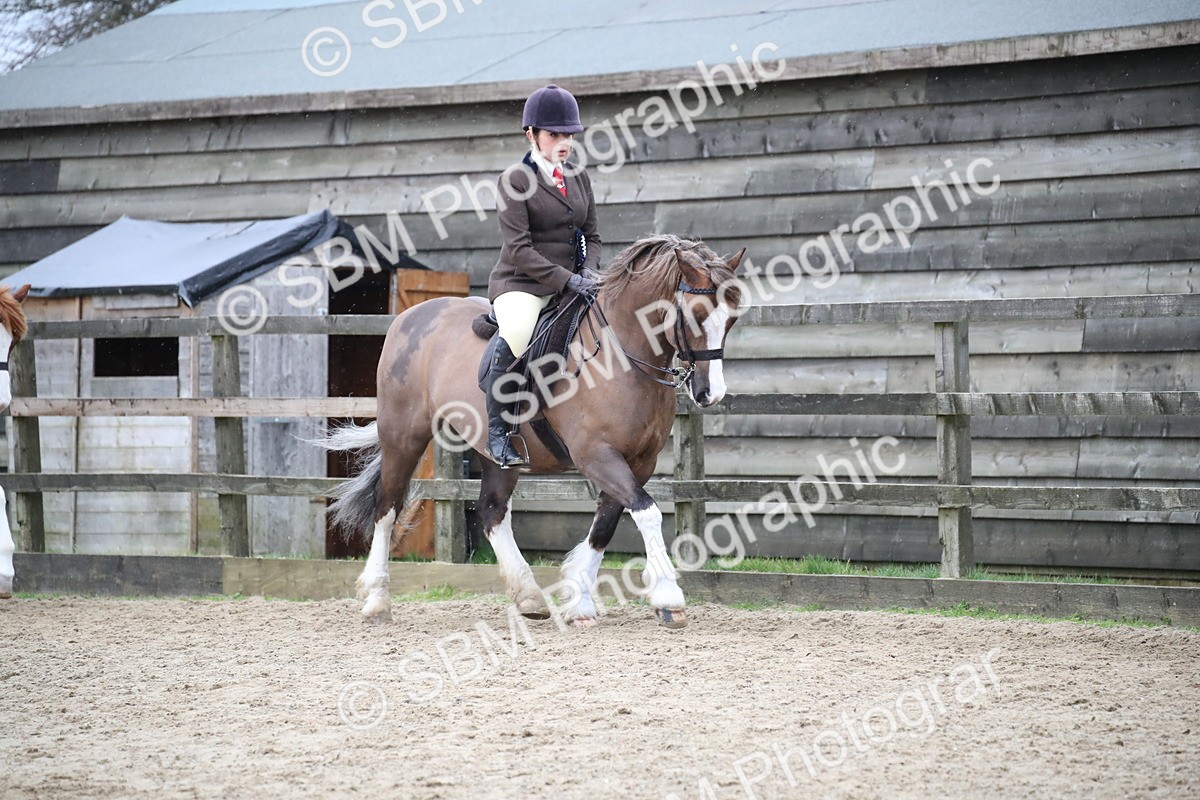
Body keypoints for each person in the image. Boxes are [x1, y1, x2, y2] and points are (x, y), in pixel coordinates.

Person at [483, 84, 602, 468]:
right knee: (517, 334)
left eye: (569, 135)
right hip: (523, 284)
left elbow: (593, 236)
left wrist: (588, 271)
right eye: (555, 135)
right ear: (531, 135)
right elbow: (520, 250)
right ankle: (499, 434)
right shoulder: (515, 181)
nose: (564, 142)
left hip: (575, 280)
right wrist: (568, 281)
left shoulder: (579, 177)